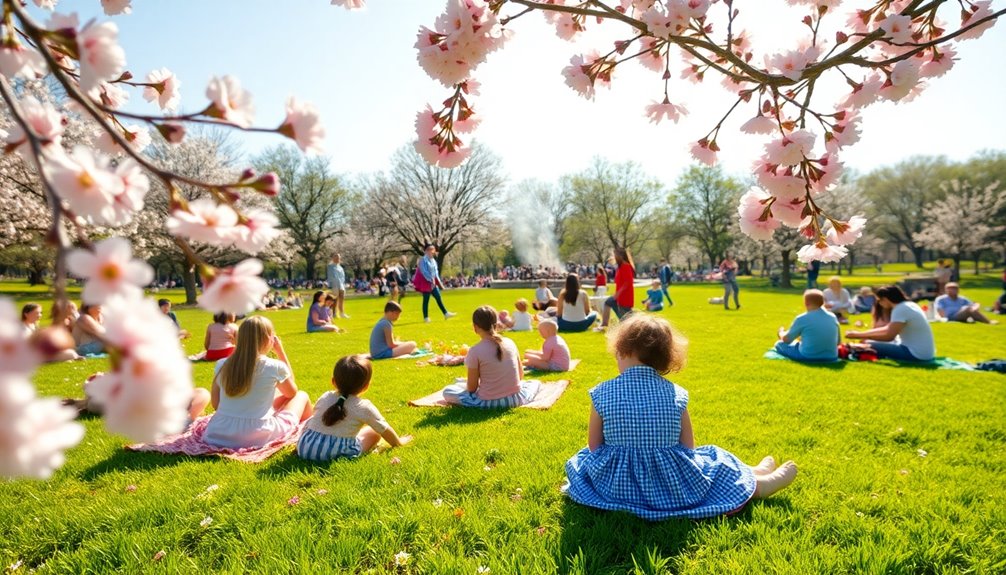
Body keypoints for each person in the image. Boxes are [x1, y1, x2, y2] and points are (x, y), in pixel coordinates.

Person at [564, 314, 798, 520]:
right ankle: (759, 484)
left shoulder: (601, 392)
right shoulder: (676, 393)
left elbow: (594, 446)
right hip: (671, 486)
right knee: (714, 458)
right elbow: (689, 447)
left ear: (624, 350)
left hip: (614, 487)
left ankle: (752, 472)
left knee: (581, 458)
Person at [204, 316, 313, 449]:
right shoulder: (274, 366)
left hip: (218, 432)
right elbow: (292, 392)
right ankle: (308, 429)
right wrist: (280, 351)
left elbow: (216, 404)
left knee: (275, 392)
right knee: (301, 395)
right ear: (269, 339)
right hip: (257, 434)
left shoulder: (222, 364)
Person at [297, 354, 412, 461]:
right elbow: (384, 428)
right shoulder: (363, 406)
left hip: (305, 447)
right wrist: (399, 442)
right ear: (366, 386)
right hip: (334, 453)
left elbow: (315, 416)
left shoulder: (326, 396)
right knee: (374, 432)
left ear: (333, 381)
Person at [441, 306, 541, 408]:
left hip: (489, 402)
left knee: (448, 391)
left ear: (475, 327)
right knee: (534, 382)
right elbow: (520, 376)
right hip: (515, 399)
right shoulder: (510, 342)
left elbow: (471, 388)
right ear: (496, 325)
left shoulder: (475, 351)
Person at [846, 285, 936, 362]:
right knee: (867, 343)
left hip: (915, 354)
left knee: (865, 346)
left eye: (879, 300)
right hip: (924, 353)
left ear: (885, 299)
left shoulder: (900, 309)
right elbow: (888, 328)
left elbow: (889, 336)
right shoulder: (909, 305)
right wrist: (861, 334)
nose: (879, 304)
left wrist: (860, 335)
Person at [774, 290, 840, 362]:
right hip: (832, 356)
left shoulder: (802, 318)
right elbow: (838, 342)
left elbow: (786, 340)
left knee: (779, 344)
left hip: (808, 356)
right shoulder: (832, 316)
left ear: (806, 303)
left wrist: (781, 333)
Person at [595, 247, 635, 331]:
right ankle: (604, 324)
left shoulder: (626, 266)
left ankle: (605, 325)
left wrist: (617, 294)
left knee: (626, 321)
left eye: (615, 255)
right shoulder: (620, 267)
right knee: (608, 303)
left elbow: (627, 283)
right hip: (619, 296)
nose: (614, 257)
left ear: (620, 256)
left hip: (625, 297)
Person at [414, 244, 457, 323]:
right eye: (430, 250)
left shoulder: (433, 260)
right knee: (426, 300)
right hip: (426, 282)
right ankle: (426, 318)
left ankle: (446, 313)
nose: (432, 252)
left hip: (433, 282)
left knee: (438, 297)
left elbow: (436, 273)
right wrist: (431, 280)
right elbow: (424, 272)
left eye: (433, 250)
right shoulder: (423, 260)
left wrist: (439, 283)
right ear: (426, 251)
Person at [326, 253, 349, 319]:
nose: (337, 259)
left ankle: (342, 313)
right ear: (333, 258)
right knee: (334, 299)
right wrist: (331, 284)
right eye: (336, 257)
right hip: (334, 284)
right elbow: (330, 276)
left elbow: (342, 276)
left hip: (341, 284)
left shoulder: (340, 267)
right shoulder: (330, 266)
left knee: (341, 298)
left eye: (338, 258)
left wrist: (342, 283)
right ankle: (334, 313)